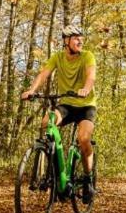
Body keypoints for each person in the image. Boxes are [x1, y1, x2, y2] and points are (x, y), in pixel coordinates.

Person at [21, 24, 97, 201]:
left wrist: (86, 88)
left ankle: (88, 179)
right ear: (66, 41)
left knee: (84, 138)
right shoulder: (58, 57)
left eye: (81, 38)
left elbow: (91, 76)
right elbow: (43, 74)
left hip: (86, 105)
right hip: (67, 104)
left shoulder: (87, 56)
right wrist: (32, 90)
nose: (80, 41)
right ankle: (58, 174)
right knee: (47, 122)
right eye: (76, 38)